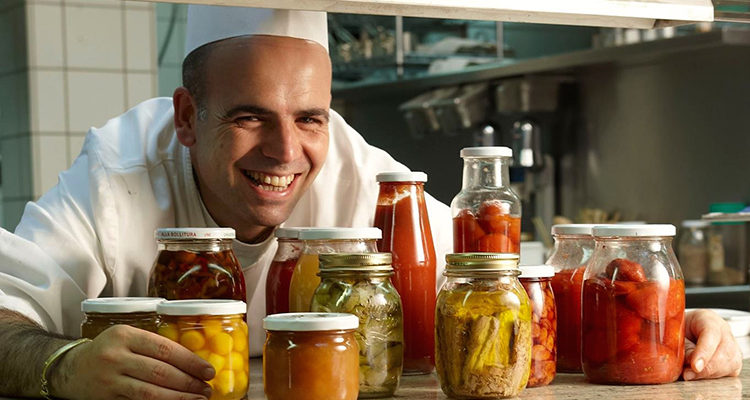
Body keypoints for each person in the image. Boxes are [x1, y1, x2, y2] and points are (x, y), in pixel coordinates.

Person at [0, 5, 741, 400]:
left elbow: (503, 284)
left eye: (310, 118)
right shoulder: (117, 170)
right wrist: (62, 364)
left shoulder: (369, 176)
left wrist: (664, 318)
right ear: (188, 117)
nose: (286, 153)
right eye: (249, 116)